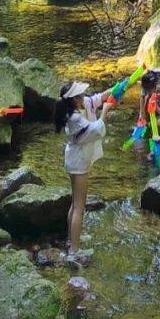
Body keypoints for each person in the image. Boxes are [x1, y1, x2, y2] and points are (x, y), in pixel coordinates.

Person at [55, 81, 112, 256]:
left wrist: (118, 87)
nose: (84, 97)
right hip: (79, 163)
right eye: (80, 95)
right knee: (79, 206)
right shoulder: (75, 118)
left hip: (74, 160)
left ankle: (72, 239)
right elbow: (95, 130)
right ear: (74, 100)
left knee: (75, 204)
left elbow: (98, 98)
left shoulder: (71, 112)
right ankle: (75, 250)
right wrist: (104, 113)